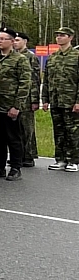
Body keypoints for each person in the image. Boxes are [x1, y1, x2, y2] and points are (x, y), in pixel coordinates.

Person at [0, 28, 31, 181]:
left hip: (10, 106)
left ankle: (15, 167)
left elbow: (25, 83)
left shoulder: (20, 60)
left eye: (3, 39)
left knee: (13, 138)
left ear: (12, 41)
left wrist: (17, 106)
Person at [42, 27, 79, 172]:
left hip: (71, 100)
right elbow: (47, 81)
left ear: (70, 37)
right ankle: (61, 159)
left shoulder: (76, 56)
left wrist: (78, 101)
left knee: (73, 131)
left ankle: (74, 160)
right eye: (57, 35)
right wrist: (45, 99)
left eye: (62, 35)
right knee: (58, 131)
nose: (59, 38)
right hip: (56, 100)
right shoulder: (53, 57)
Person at [14, 32, 40, 167]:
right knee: (16, 129)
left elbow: (34, 80)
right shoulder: (13, 56)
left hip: (28, 99)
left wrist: (35, 100)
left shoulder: (30, 57)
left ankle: (29, 156)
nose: (15, 42)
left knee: (27, 129)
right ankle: (19, 155)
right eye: (14, 40)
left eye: (18, 40)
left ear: (25, 41)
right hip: (16, 98)